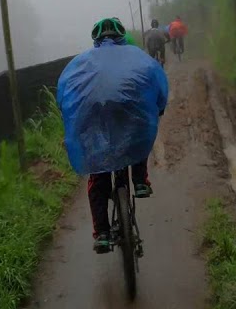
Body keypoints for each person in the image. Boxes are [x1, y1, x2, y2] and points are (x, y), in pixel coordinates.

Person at [57, 17, 169, 253]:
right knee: (139, 134)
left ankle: (102, 233)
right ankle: (140, 182)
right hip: (127, 114)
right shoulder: (137, 56)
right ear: (121, 37)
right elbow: (159, 84)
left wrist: (70, 119)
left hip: (94, 119)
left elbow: (63, 96)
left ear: (96, 40)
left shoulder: (79, 63)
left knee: (98, 174)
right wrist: (158, 108)